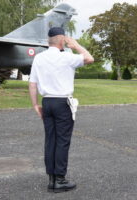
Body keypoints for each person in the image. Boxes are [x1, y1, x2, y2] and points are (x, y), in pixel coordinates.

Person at [29, 27, 94, 193]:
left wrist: (35, 104)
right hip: (62, 102)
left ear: (48, 40)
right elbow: (89, 58)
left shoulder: (39, 58)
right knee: (62, 141)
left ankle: (51, 179)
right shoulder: (67, 57)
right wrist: (76, 45)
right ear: (61, 40)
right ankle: (60, 179)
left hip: (47, 101)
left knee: (50, 140)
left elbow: (32, 83)